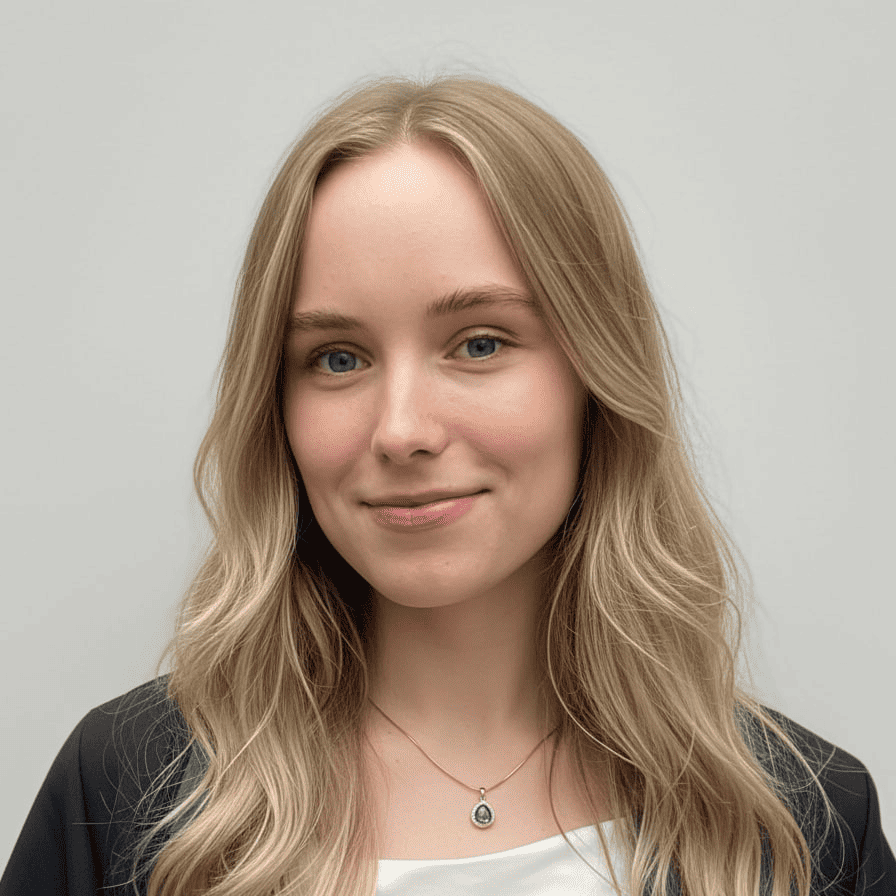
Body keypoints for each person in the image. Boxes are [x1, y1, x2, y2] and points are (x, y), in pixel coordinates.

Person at [2, 72, 894, 896]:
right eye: (337, 357)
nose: (401, 430)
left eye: (479, 343)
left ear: (597, 376)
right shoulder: (119, 793)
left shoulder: (810, 827)